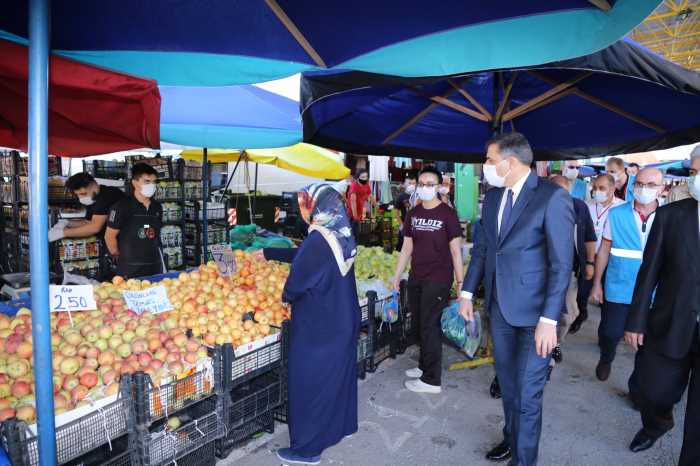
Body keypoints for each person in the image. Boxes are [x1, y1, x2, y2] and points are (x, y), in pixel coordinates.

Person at [460, 132, 574, 465]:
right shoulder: (494, 199)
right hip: (500, 310)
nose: (486, 166)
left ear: (510, 162)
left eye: (490, 160)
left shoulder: (551, 198)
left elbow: (561, 264)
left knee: (528, 394)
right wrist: (467, 292)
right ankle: (511, 439)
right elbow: (483, 250)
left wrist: (550, 320)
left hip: (537, 318)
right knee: (509, 387)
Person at [255, 183, 360, 465]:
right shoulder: (339, 232)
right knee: (336, 379)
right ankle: (340, 428)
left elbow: (296, 284)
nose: (302, 208)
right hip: (341, 318)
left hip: (320, 326)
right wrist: (270, 254)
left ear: (315, 205)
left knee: (309, 384)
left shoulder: (318, 240)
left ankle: (307, 450)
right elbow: (308, 257)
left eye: (304, 202)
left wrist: (284, 297)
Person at [623, 152, 700, 464]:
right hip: (671, 321)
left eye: (697, 171)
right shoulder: (672, 216)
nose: (694, 178)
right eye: (693, 171)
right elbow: (649, 271)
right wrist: (635, 321)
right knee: (653, 392)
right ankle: (657, 423)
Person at [391, 167, 463, 394]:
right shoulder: (413, 213)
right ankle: (424, 366)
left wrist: (461, 284)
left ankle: (432, 380)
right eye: (421, 183)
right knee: (420, 323)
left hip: (439, 278)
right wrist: (397, 275)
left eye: (430, 183)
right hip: (417, 276)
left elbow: (456, 251)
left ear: (440, 186)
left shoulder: (447, 214)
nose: (424, 188)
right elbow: (406, 247)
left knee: (430, 325)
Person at [590, 168, 664, 383]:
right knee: (609, 332)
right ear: (632, 186)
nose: (644, 189)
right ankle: (606, 357)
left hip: (654, 290)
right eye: (640, 183)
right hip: (619, 285)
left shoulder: (668, 216)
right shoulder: (617, 214)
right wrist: (597, 284)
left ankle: (637, 386)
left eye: (651, 185)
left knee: (646, 342)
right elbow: (604, 249)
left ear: (661, 188)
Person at [549, 176, 596, 369]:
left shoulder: (579, 208)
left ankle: (556, 342)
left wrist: (590, 263)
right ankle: (545, 346)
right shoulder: (539, 208)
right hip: (542, 270)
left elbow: (590, 238)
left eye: (564, 193)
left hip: (568, 272)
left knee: (567, 315)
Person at [569, 174, 624, 334]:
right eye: (595, 188)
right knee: (581, 292)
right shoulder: (586, 206)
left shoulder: (621, 208)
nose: (597, 191)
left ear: (612, 189)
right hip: (588, 258)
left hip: (610, 261)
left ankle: (606, 332)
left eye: (602, 188)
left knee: (606, 299)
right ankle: (581, 314)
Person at [48, 172, 126, 279]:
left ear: (93, 184)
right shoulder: (94, 198)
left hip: (124, 245)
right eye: (78, 195)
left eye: (83, 194)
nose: (81, 198)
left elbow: (94, 227)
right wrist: (67, 223)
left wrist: (63, 232)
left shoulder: (108, 195)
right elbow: (88, 222)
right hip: (112, 246)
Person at [104, 163, 164, 279]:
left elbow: (149, 228)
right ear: (135, 182)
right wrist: (119, 257)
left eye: (154, 182)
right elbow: (109, 236)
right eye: (147, 181)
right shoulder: (121, 207)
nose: (151, 185)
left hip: (154, 266)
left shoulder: (157, 207)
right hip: (130, 269)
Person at [347, 169, 375, 239]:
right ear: (357, 178)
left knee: (359, 233)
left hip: (361, 211)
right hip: (353, 214)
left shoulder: (366, 184)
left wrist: (375, 205)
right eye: (362, 177)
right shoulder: (354, 186)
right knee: (353, 234)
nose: (365, 179)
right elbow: (353, 202)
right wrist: (355, 217)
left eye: (366, 177)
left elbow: (370, 195)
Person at [394, 173, 417, 251]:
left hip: (416, 227)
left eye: (414, 183)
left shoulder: (419, 195)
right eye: (409, 183)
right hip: (405, 225)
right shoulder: (401, 197)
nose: (412, 185)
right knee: (402, 247)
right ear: (405, 184)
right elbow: (396, 212)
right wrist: (401, 225)